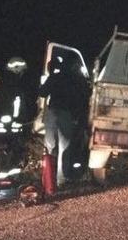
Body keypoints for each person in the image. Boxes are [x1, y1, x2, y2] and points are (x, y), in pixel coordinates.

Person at [37, 54, 89, 187]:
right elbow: (84, 98)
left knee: (49, 147)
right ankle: (60, 180)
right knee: (64, 148)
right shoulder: (77, 79)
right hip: (66, 115)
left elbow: (42, 92)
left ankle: (47, 179)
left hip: (51, 113)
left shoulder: (55, 76)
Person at [0, 57, 30, 180]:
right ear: (17, 70)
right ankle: (3, 180)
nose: (22, 74)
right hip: (4, 127)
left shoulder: (6, 83)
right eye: (21, 71)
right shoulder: (9, 84)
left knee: (7, 154)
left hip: (5, 126)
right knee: (4, 154)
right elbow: (7, 106)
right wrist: (10, 123)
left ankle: (8, 179)